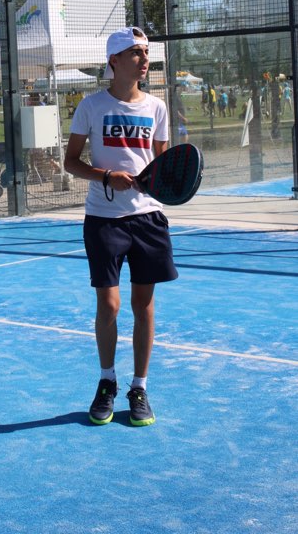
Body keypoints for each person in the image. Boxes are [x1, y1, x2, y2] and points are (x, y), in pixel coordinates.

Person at [64, 27, 178, 427]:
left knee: (143, 306)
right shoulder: (91, 106)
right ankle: (107, 381)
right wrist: (106, 176)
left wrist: (163, 183)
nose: (144, 59)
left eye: (145, 52)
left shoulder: (157, 108)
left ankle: (139, 388)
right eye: (135, 53)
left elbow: (162, 163)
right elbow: (71, 162)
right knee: (109, 305)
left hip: (148, 218)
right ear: (114, 60)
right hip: (103, 218)